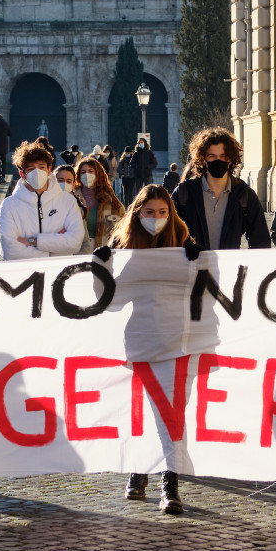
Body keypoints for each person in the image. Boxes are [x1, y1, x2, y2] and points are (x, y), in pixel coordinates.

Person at [104, 184, 201, 514]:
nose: (157, 218)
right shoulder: (126, 247)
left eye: (162, 212)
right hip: (142, 342)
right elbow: (112, 303)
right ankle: (139, 469)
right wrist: (102, 267)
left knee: (172, 414)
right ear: (137, 214)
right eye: (149, 213)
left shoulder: (185, 243)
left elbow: (204, 292)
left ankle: (169, 483)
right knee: (148, 411)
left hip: (179, 341)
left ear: (170, 214)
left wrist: (197, 264)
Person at [171, 127, 270, 251]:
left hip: (229, 268)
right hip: (192, 267)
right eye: (212, 156)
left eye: (223, 156)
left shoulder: (244, 195)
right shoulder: (184, 193)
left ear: (230, 159)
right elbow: (168, 234)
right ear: (203, 159)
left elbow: (261, 241)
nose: (218, 160)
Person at [0, 138, 85, 260]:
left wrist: (34, 241)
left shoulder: (68, 201)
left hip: (59, 274)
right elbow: (10, 252)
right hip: (25, 275)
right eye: (31, 169)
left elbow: (75, 243)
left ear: (49, 170)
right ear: (22, 174)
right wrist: (55, 246)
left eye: (41, 167)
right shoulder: (9, 205)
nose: (37, 172)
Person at [77, 156, 126, 248]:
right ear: (78, 176)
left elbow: (121, 227)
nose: (86, 175)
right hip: (77, 250)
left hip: (100, 250)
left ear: (98, 174)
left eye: (90, 171)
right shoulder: (72, 198)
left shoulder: (109, 200)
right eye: (83, 172)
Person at [55, 164, 93, 253]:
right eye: (60, 180)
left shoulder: (77, 206)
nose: (64, 184)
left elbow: (85, 242)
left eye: (69, 181)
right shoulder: (44, 204)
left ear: (73, 184)